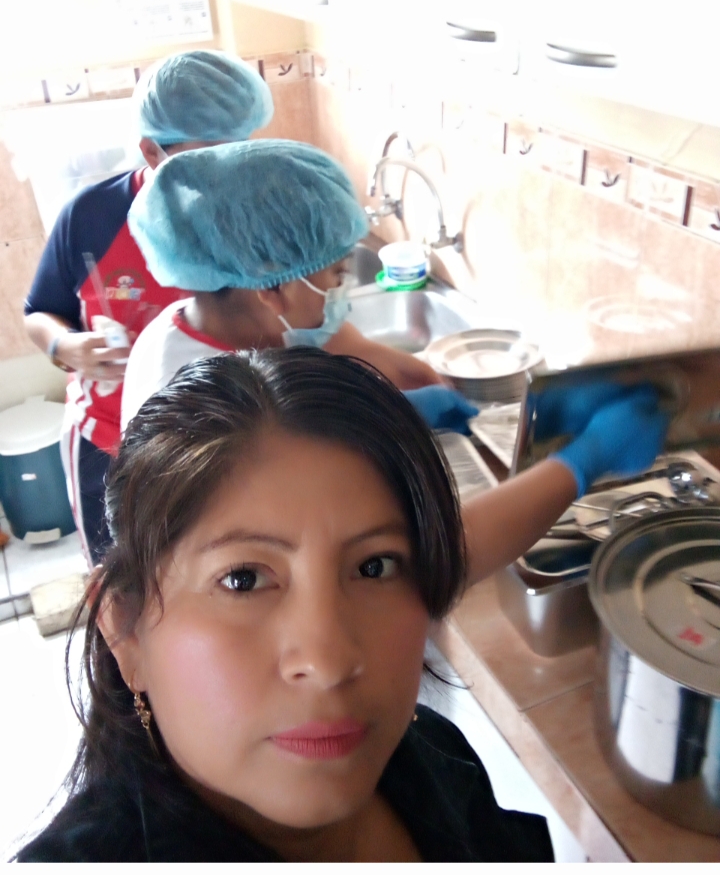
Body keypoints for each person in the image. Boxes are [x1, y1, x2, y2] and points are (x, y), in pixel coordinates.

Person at [14, 350, 668, 862]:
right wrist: (582, 463)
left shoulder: (430, 754)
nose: (328, 661)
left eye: (373, 566)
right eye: (243, 579)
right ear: (125, 629)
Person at [23, 51, 273, 563]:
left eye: (239, 149)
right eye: (208, 156)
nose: (228, 170)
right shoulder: (91, 216)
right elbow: (39, 312)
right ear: (151, 152)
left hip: (221, 441)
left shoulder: (250, 215)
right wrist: (67, 347)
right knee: (120, 576)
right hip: (107, 440)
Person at [120, 139, 446, 430]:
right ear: (274, 288)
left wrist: (425, 378)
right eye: (338, 274)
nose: (343, 292)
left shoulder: (235, 318)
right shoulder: (199, 406)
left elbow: (347, 345)